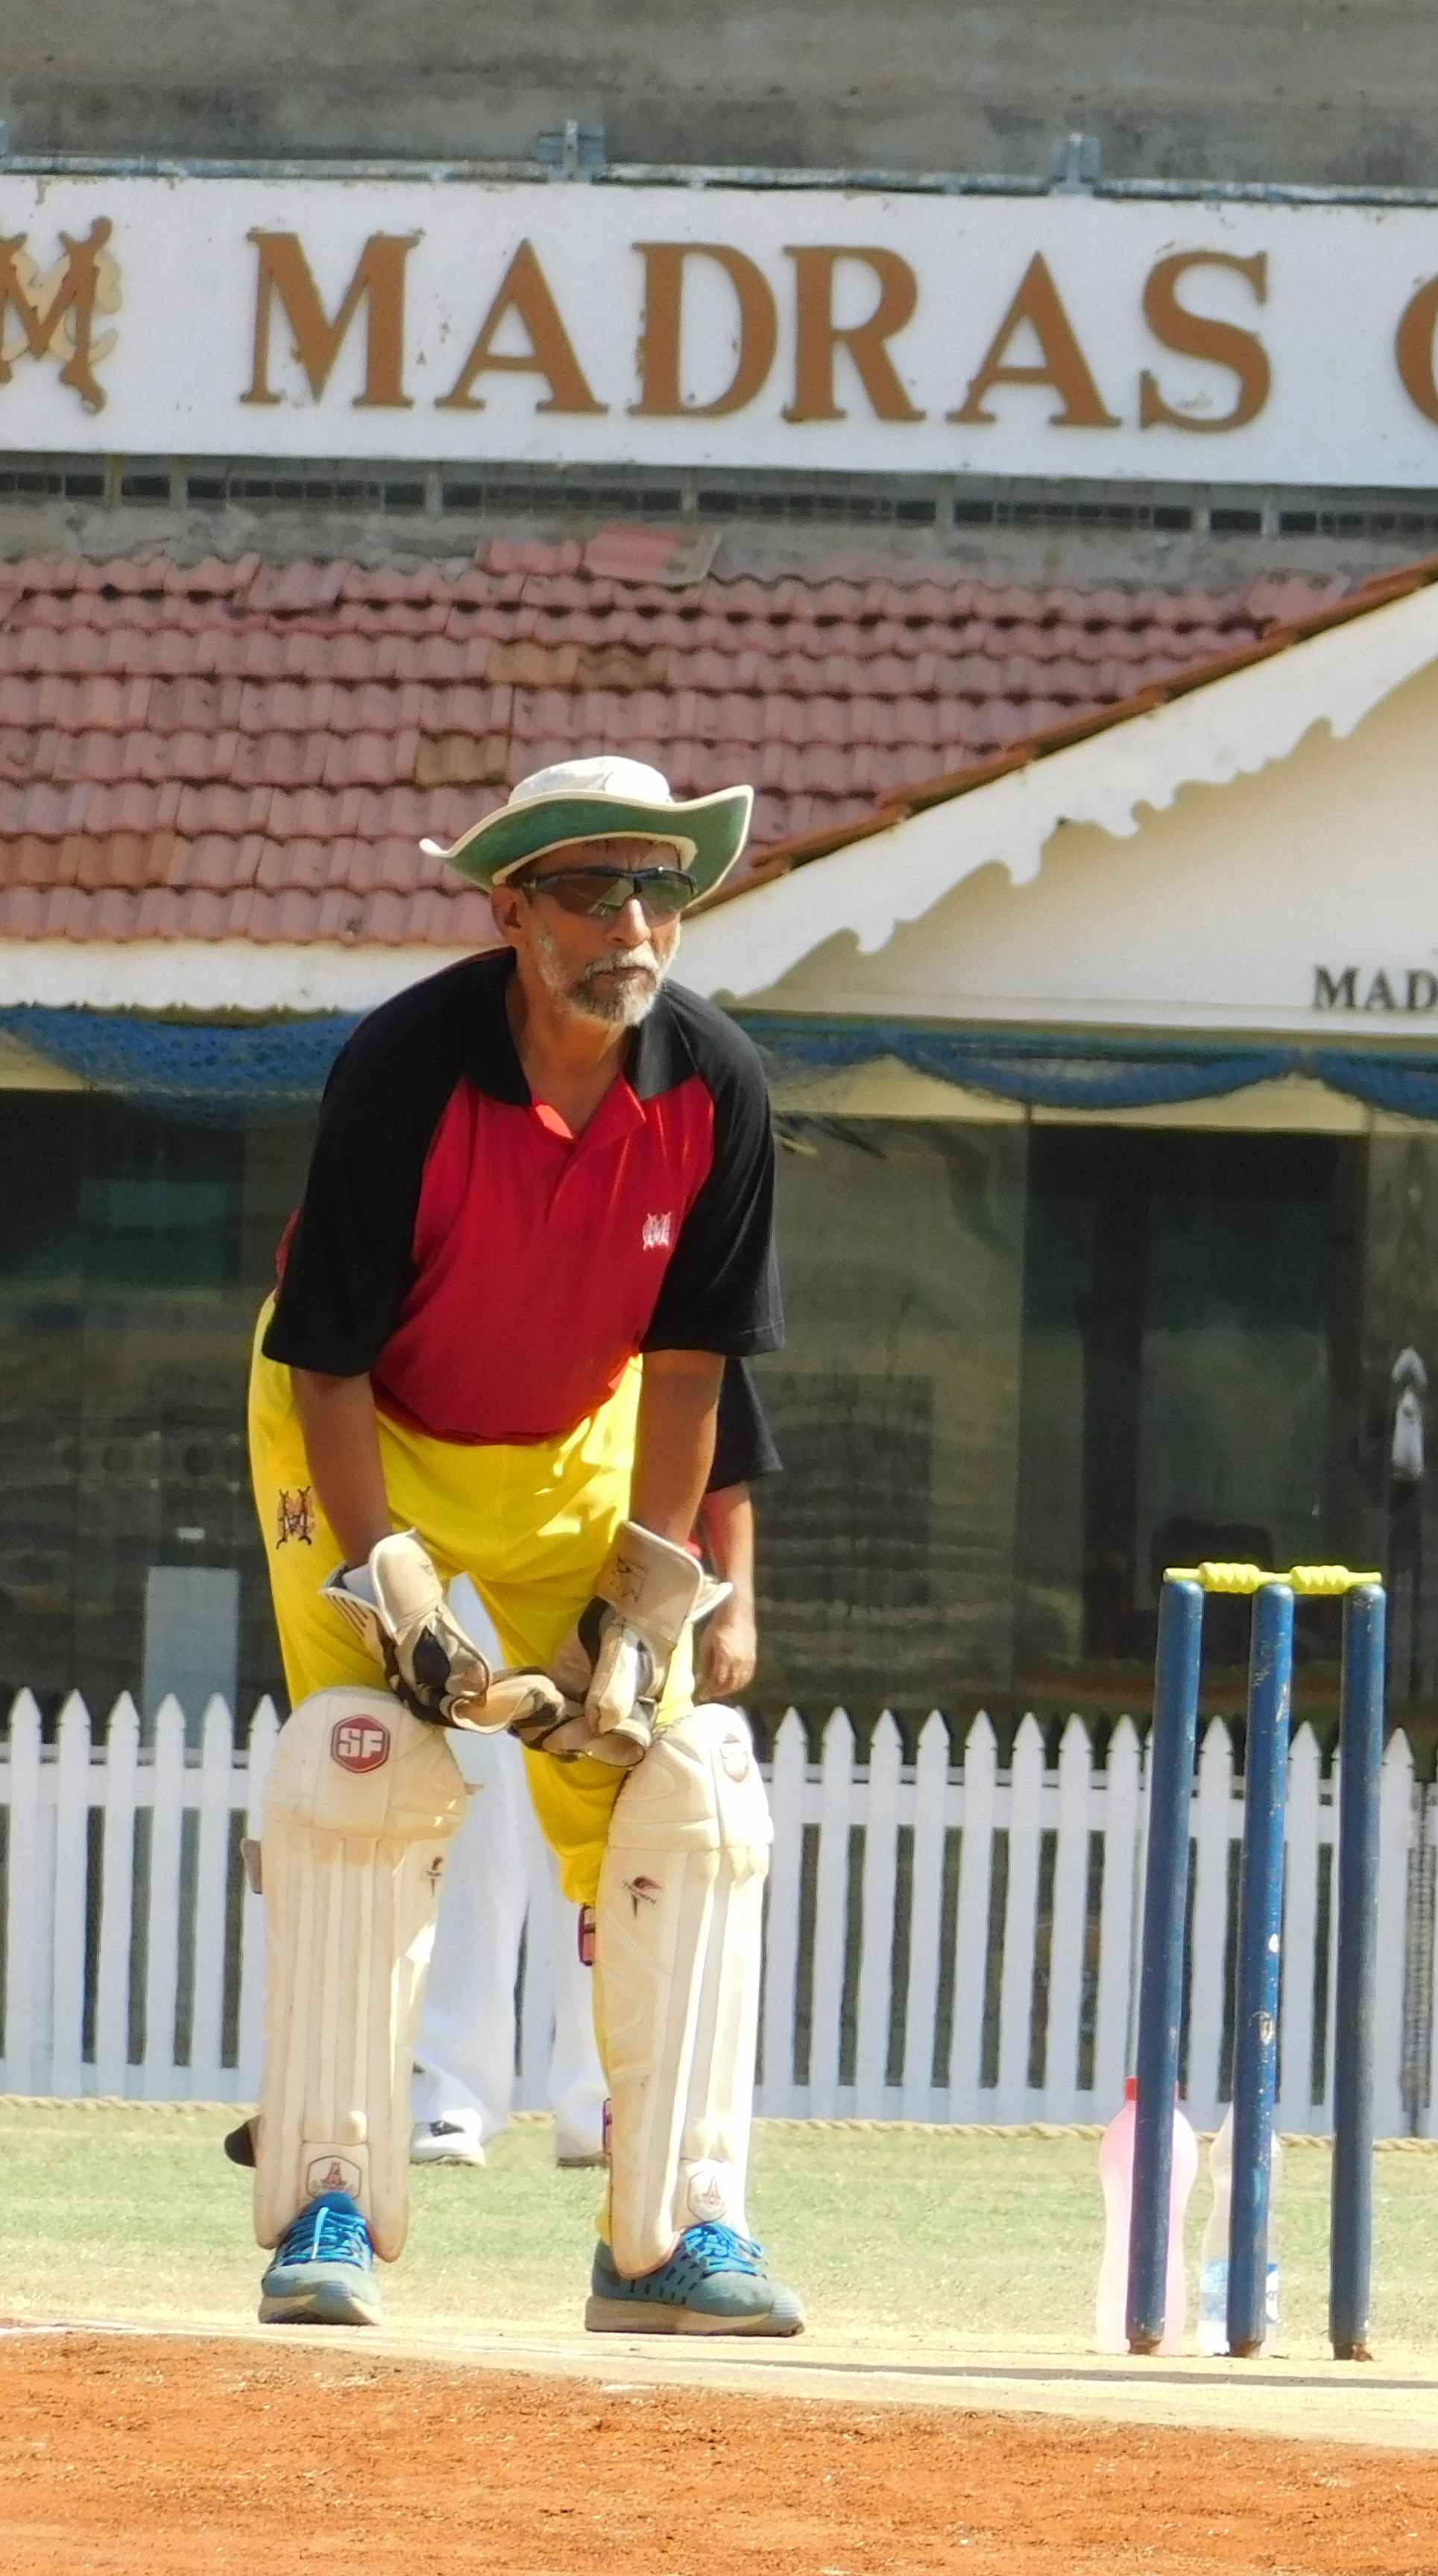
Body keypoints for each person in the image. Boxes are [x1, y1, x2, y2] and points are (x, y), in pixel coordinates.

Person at [236, 753, 801, 2337]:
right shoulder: (405, 1068)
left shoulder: (718, 1088)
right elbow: (329, 1364)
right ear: (513, 909)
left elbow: (688, 1373)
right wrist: (392, 1583)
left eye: (658, 890)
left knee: (682, 1786)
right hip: (362, 1427)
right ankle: (328, 2198)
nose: (631, 924)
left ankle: (668, 2233)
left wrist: (646, 1595)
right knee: (363, 1761)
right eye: (589, 890)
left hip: (575, 1447)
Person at [410, 1361, 778, 2171]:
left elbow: (729, 1459)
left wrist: (740, 1605)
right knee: (478, 1843)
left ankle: (603, 2102)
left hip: (641, 1600)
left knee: (626, 1850)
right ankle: (449, 2098)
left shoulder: (681, 1279)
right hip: (490, 1572)